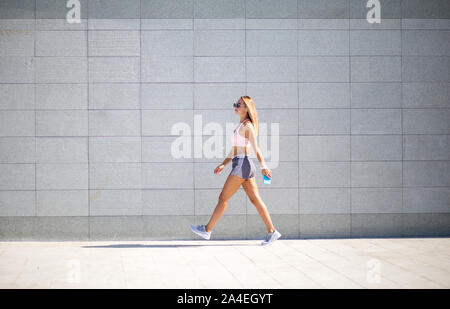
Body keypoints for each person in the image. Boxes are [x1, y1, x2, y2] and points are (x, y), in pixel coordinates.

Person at [190, 96, 282, 246]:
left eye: (238, 104)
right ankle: (272, 231)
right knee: (255, 200)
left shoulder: (248, 126)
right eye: (236, 104)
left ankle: (207, 230)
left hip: (242, 164)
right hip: (241, 164)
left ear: (246, 108)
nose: (236, 106)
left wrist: (264, 166)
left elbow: (256, 148)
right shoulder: (240, 125)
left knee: (223, 198)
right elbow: (234, 150)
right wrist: (223, 164)